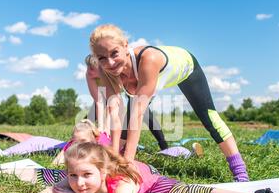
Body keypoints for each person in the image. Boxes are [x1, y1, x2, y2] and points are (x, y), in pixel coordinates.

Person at [89, 24, 248, 182]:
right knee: (125, 124)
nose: (109, 62)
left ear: (125, 46)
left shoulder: (148, 59)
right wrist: (114, 156)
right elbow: (114, 114)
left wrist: (128, 164)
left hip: (186, 70)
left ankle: (240, 173)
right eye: (102, 58)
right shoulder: (105, 70)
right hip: (147, 83)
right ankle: (119, 162)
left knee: (209, 119)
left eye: (114, 53)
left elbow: (137, 115)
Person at [37, 142, 279, 193]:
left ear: (103, 173)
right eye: (74, 175)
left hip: (147, 178)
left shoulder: (122, 184)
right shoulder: (73, 178)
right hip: (121, 168)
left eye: (86, 176)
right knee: (48, 175)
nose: (80, 183)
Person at [85, 54, 169, 151]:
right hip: (109, 95)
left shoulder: (110, 73)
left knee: (142, 111)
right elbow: (99, 101)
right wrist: (101, 127)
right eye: (88, 67)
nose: (89, 70)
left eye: (92, 68)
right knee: (91, 117)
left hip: (133, 87)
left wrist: (107, 128)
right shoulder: (89, 74)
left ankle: (163, 145)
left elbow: (113, 103)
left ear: (102, 69)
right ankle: (83, 140)